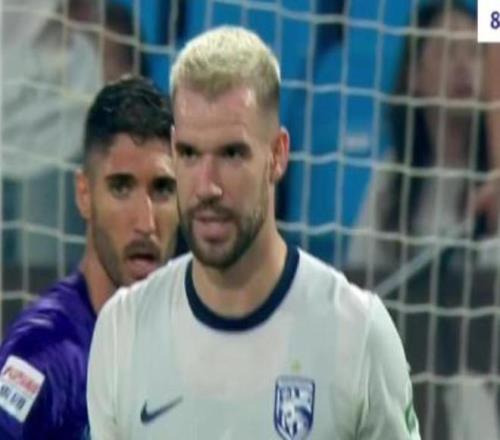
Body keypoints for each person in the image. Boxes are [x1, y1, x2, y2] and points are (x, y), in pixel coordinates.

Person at [87, 26, 420, 439]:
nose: (207, 186)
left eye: (232, 153)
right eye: (189, 154)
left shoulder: (358, 331)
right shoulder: (122, 330)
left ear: (277, 155)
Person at [0, 76, 178, 439]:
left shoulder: (196, 345)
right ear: (84, 195)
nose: (145, 223)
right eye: (121, 188)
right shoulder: (42, 354)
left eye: (162, 189)